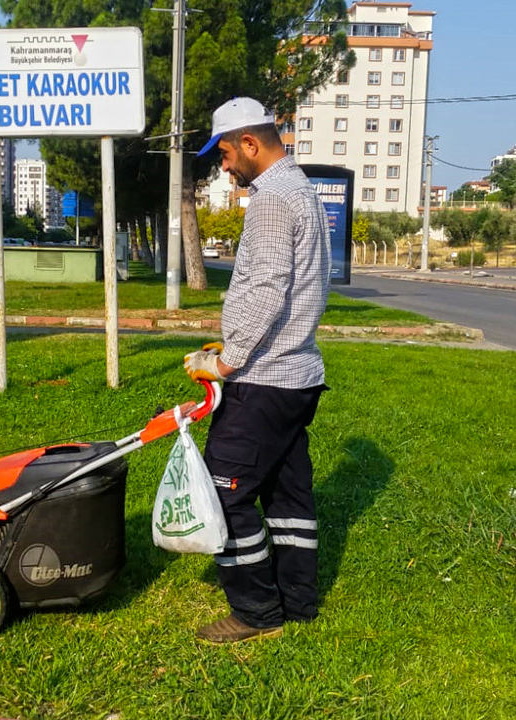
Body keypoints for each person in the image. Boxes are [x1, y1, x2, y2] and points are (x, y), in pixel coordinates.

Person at [182, 97, 331, 645]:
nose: (223, 165)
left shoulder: (271, 200)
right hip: (299, 375)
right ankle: (298, 601)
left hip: (264, 379)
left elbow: (265, 288)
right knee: (288, 496)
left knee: (226, 493)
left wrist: (225, 360)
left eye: (224, 154)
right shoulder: (303, 192)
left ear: (250, 143)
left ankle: (256, 611)